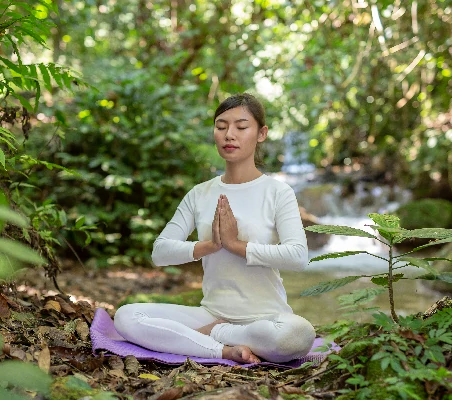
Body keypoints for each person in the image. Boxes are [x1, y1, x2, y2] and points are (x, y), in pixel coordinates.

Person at [113, 93, 315, 364]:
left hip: (267, 318)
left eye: (241, 127)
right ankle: (224, 350)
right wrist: (210, 245)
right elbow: (160, 252)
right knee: (127, 316)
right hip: (211, 311)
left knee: (298, 334)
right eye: (221, 126)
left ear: (261, 133)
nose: (229, 134)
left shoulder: (278, 192)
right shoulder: (200, 194)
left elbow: (298, 257)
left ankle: (219, 333)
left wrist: (235, 245)